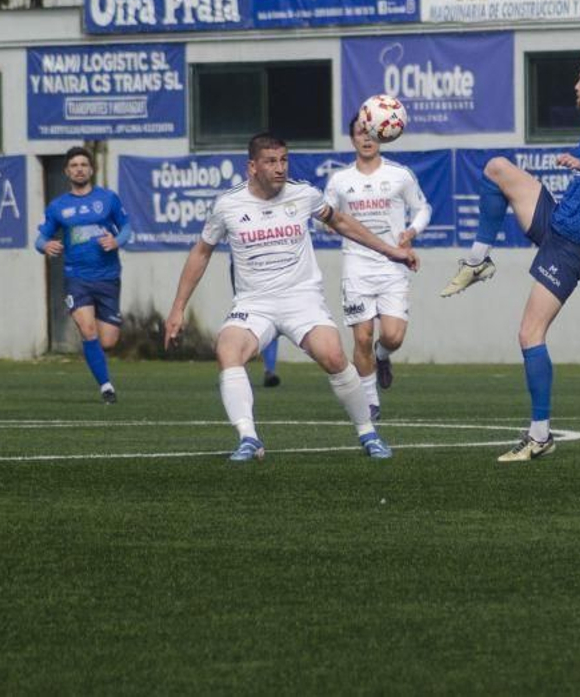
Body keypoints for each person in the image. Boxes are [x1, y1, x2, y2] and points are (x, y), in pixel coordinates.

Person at [163, 132, 418, 463]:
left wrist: (390, 251)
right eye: (271, 162)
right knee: (227, 350)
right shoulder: (228, 205)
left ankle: (368, 433)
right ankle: (248, 438)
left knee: (334, 356)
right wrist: (177, 308)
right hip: (254, 303)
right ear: (252, 167)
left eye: (283, 160)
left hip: (302, 299)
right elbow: (201, 252)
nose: (280, 168)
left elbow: (341, 222)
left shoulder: (303, 195)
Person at [441, 48, 580, 462]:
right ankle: (478, 262)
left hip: (573, 244)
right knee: (496, 169)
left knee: (530, 335)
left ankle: (540, 435)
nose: (576, 86)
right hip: (558, 220)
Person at [324, 114, 432, 421]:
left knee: (393, 336)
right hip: (356, 266)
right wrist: (327, 227)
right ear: (353, 138)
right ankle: (370, 403)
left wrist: (412, 232)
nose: (366, 138)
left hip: (392, 265)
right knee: (361, 337)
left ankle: (382, 356)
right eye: (360, 132)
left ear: (383, 135)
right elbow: (325, 216)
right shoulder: (340, 181)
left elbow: (423, 207)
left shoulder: (400, 175)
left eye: (371, 132)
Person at [35, 147, 132, 403]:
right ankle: (106, 387)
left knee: (108, 340)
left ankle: (99, 362)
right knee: (88, 330)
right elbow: (40, 239)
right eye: (74, 165)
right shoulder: (58, 207)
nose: (79, 169)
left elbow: (126, 227)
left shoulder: (108, 199)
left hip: (108, 276)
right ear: (67, 171)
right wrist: (45, 245)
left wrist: (116, 241)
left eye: (83, 165)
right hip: (77, 278)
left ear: (91, 169)